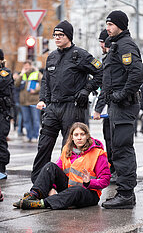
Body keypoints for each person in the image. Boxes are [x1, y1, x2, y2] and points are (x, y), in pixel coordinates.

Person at [31, 20, 103, 183]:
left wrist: (86, 90)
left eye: (60, 35)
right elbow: (45, 81)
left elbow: (100, 72)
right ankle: (38, 183)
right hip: (53, 108)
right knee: (44, 145)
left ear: (68, 36)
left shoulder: (80, 55)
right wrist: (42, 99)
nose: (57, 38)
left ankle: (68, 184)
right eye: (55, 35)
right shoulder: (52, 57)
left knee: (69, 148)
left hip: (73, 107)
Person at [13, 122, 111, 210]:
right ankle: (33, 195)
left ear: (87, 136)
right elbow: (55, 172)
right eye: (76, 135)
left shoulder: (98, 153)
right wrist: (53, 188)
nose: (79, 138)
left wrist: (89, 183)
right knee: (50, 166)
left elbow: (105, 180)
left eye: (82, 134)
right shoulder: (67, 150)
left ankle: (40, 204)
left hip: (88, 192)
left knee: (77, 190)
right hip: (68, 189)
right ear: (72, 137)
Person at [101, 10, 143, 209]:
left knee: (122, 149)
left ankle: (125, 195)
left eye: (110, 24)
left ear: (120, 25)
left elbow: (137, 74)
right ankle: (126, 193)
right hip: (117, 106)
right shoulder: (117, 45)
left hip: (124, 105)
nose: (107, 28)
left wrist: (121, 94)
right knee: (118, 148)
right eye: (107, 24)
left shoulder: (125, 45)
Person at [93, 29, 116, 182]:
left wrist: (97, 109)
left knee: (115, 141)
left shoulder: (110, 60)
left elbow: (106, 88)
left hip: (114, 108)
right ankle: (113, 168)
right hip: (110, 110)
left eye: (102, 41)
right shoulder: (106, 59)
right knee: (109, 139)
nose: (101, 44)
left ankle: (116, 170)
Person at [15, 60, 42, 143]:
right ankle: (29, 136)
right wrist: (21, 74)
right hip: (23, 102)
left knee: (35, 120)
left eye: (27, 65)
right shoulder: (22, 74)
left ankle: (35, 136)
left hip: (33, 101)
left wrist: (36, 90)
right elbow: (16, 84)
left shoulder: (36, 73)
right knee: (26, 120)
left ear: (30, 66)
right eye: (25, 66)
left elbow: (43, 84)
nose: (26, 67)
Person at [0, 49, 14, 179]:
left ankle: (2, 169)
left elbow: (2, 84)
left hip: (2, 113)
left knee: (0, 140)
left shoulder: (5, 73)